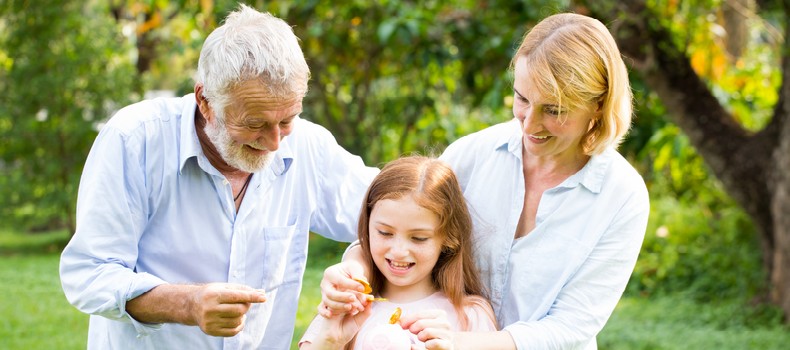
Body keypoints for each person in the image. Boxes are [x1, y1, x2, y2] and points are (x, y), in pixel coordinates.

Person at [320, 13, 650, 350]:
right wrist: (352, 272)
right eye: (522, 99)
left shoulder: (622, 196)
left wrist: (461, 341)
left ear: (598, 105)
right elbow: (401, 230)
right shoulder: (472, 155)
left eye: (554, 110)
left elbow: (572, 325)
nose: (530, 124)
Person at [59, 4, 378, 349]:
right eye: (254, 124)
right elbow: (90, 273)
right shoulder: (135, 139)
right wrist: (187, 304)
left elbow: (397, 216)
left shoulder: (309, 147)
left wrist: (355, 266)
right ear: (205, 102)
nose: (274, 142)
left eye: (286, 120)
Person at [300, 156, 497, 350]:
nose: (399, 251)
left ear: (448, 238)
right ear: (367, 226)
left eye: (419, 238)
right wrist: (330, 340)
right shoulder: (344, 310)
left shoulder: (470, 316)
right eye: (385, 233)